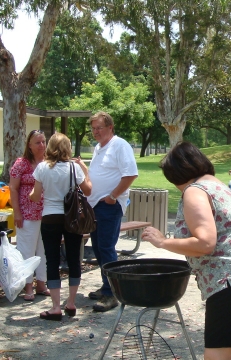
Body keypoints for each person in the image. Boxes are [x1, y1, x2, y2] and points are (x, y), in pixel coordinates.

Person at [142, 141, 231, 360]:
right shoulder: (214, 183)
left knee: (216, 352)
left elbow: (204, 243)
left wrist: (163, 242)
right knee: (226, 346)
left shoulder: (194, 191)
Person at [30, 132, 92, 321]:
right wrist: (85, 170)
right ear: (67, 148)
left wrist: (30, 195)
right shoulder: (74, 168)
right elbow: (88, 190)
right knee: (74, 258)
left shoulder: (42, 167)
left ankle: (55, 307)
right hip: (71, 217)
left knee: (52, 260)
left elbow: (36, 195)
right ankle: (71, 303)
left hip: (50, 216)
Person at [86, 111, 138, 312]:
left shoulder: (120, 145)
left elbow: (130, 174)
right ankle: (107, 284)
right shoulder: (99, 148)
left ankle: (112, 294)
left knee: (106, 248)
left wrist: (113, 197)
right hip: (95, 206)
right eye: (93, 129)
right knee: (98, 248)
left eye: (99, 127)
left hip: (109, 206)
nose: (96, 132)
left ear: (110, 127)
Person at [9, 130, 49, 301]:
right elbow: (13, 188)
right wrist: (16, 212)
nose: (41, 145)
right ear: (30, 145)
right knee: (27, 249)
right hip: (27, 213)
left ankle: (42, 283)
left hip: (47, 213)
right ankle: (28, 286)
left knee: (44, 249)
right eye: (37, 142)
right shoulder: (22, 163)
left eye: (43, 142)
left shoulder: (49, 162)